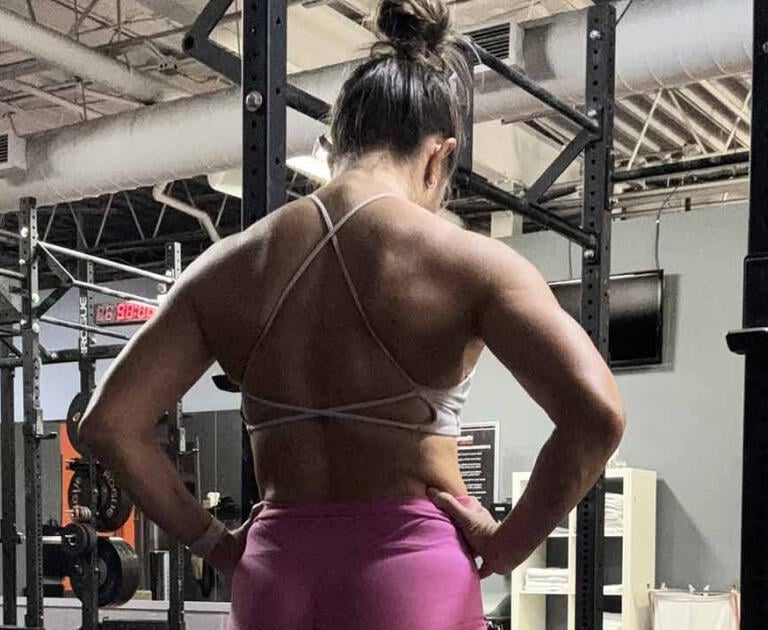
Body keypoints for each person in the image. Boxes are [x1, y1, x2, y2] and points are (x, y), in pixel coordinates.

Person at [79, 0, 625, 628]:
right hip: (410, 579)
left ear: (329, 146)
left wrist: (215, 543)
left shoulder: (225, 268)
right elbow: (597, 416)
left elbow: (110, 424)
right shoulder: (471, 262)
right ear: (438, 157)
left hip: (275, 579)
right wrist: (507, 545)